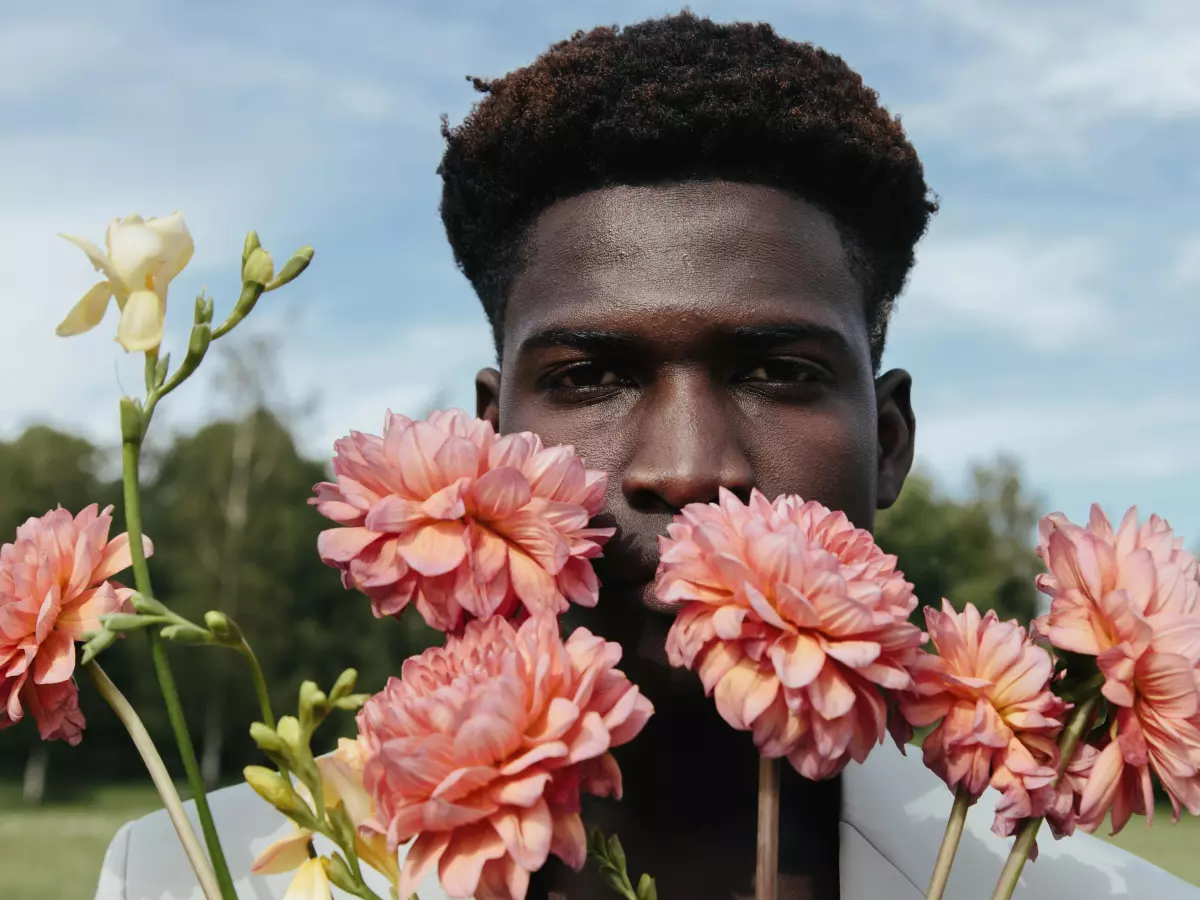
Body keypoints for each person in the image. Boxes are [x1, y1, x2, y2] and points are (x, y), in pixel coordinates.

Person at [94, 12, 1200, 900]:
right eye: (590, 377)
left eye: (777, 372)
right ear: (486, 443)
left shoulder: (1095, 893)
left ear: (891, 444)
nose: (689, 468)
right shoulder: (193, 875)